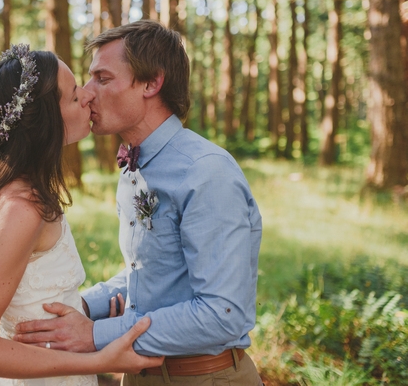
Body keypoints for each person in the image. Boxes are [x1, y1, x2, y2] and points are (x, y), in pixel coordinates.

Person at [13, 21, 264, 385]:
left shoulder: (206, 172)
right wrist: (82, 307)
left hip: (204, 377)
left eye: (102, 78)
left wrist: (94, 335)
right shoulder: (134, 167)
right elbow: (153, 276)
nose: (86, 93)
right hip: (139, 374)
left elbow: (221, 313)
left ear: (151, 83)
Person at [0, 44, 163, 386]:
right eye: (75, 96)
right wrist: (101, 357)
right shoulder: (19, 210)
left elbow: (35, 301)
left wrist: (89, 313)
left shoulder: (23, 193)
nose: (89, 98)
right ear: (47, 118)